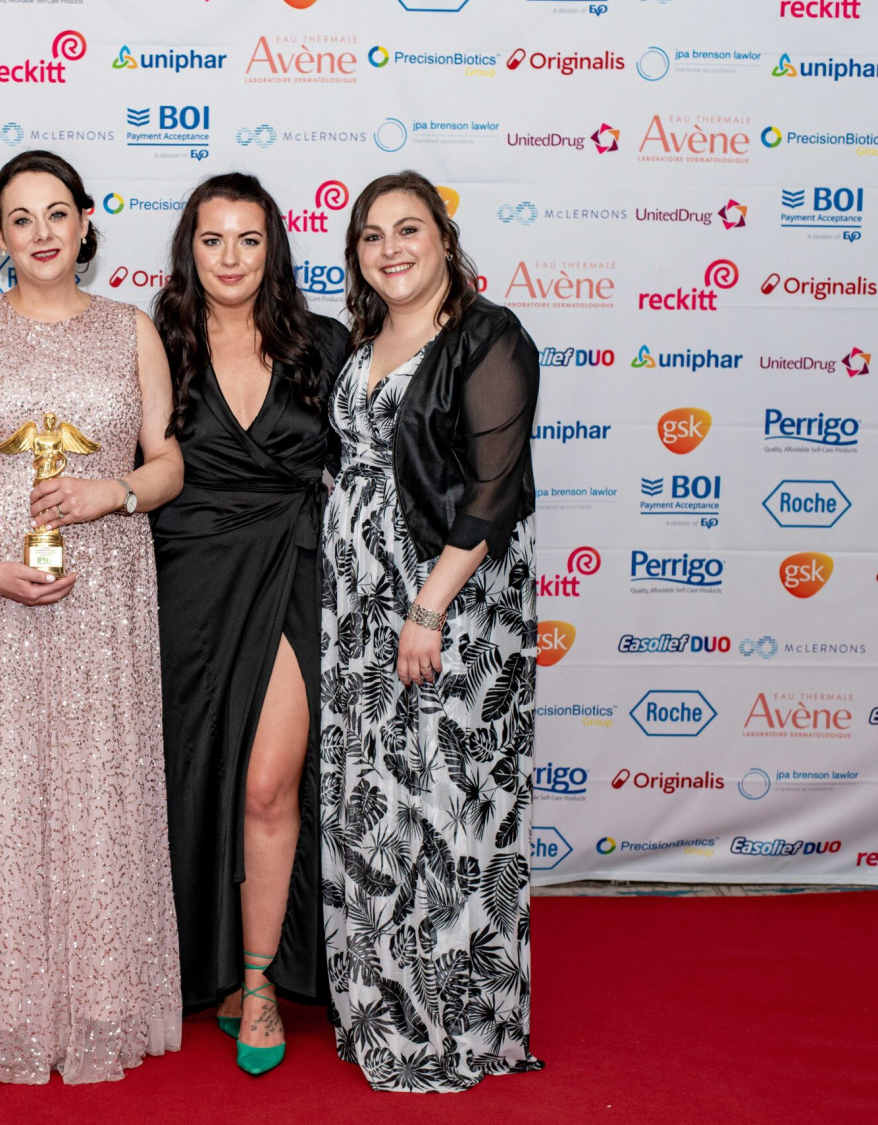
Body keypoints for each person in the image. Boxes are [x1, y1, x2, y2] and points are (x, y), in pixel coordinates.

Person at [0, 150, 185, 1084]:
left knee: (101, 789)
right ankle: (15, 1007)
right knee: (9, 790)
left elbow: (167, 463)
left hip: (104, 595)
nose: (40, 232)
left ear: (84, 225)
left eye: (56, 213)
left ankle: (107, 999)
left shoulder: (130, 329)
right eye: (20, 217)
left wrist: (110, 492)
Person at [319, 170, 544, 1092]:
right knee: (375, 799)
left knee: (451, 803)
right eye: (372, 236)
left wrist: (427, 607)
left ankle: (456, 1024)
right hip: (360, 608)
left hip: (449, 608)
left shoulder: (488, 336)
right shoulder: (369, 338)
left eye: (408, 230)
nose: (391, 249)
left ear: (444, 240)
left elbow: (494, 490)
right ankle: (383, 1009)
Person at [149, 173, 346, 1076]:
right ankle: (207, 967)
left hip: (293, 571)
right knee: (196, 779)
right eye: (212, 239)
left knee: (270, 784)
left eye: (249, 240)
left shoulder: (327, 345)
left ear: (274, 249)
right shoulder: (154, 345)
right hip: (187, 581)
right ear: (189, 249)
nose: (230, 258)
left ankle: (260, 981)